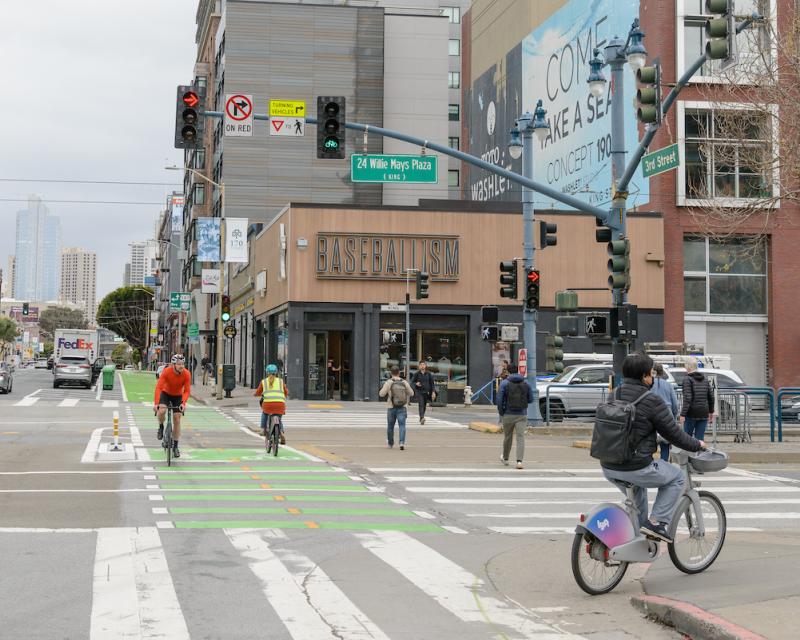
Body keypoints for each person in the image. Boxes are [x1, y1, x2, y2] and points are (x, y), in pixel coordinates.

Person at [600, 353, 705, 543]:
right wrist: (697, 444)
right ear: (644, 377)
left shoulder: (613, 394)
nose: (653, 378)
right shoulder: (651, 400)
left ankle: (638, 540)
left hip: (608, 465)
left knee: (638, 497)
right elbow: (674, 434)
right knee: (677, 477)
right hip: (636, 466)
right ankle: (656, 523)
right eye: (651, 374)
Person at [153, 354, 191, 458]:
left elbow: (187, 391)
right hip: (166, 394)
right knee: (161, 411)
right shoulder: (166, 372)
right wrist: (156, 404)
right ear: (173, 365)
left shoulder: (187, 374)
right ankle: (161, 427)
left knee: (177, 419)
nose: (181, 366)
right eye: (179, 364)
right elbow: (159, 388)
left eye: (183, 364)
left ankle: (175, 446)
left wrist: (183, 403)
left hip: (178, 396)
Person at [497, 364, 533, 469]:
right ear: (518, 371)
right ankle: (519, 462)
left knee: (508, 437)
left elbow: (499, 400)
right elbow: (530, 399)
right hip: (522, 414)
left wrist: (501, 412)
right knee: (520, 437)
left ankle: (506, 458)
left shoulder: (504, 383)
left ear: (508, 371)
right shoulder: (525, 383)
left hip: (508, 414)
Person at [378, 365, 414, 450]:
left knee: (390, 426)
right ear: (399, 373)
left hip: (391, 407)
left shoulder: (389, 382)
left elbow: (381, 394)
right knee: (402, 425)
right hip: (402, 407)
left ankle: (390, 443)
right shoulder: (404, 382)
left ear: (391, 373)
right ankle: (401, 443)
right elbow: (412, 393)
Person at [680, 358, 715, 442]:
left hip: (691, 413)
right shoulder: (705, 379)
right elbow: (711, 397)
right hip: (703, 412)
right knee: (700, 439)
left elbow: (687, 398)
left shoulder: (687, 379)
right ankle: (699, 455)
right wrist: (711, 411)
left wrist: (682, 414)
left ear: (688, 367)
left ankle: (689, 455)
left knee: (687, 439)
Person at [253, 364, 288, 444]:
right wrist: (283, 396)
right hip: (280, 405)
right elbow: (286, 392)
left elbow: (258, 392)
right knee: (278, 418)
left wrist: (255, 394)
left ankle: (262, 429)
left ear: (267, 372)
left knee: (264, 414)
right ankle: (281, 432)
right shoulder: (280, 381)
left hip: (268, 405)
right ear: (276, 373)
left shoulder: (264, 382)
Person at [651, 363, 679, 461]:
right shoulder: (668, 385)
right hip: (667, 415)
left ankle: (650, 465)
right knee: (665, 443)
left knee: (650, 443)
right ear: (662, 372)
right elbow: (675, 404)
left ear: (653, 372)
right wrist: (674, 417)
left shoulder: (649, 385)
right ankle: (664, 465)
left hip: (652, 415)